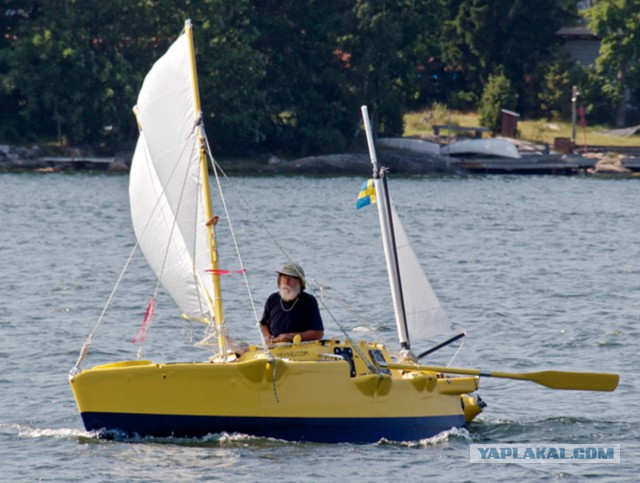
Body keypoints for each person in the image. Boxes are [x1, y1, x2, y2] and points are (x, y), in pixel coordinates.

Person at [260, 262, 324, 344]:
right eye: (283, 278)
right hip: (274, 347)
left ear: (300, 282)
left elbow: (318, 333)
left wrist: (291, 337)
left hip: (301, 350)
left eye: (290, 279)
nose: (286, 282)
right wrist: (267, 337)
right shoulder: (272, 299)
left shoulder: (309, 301)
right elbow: (264, 324)